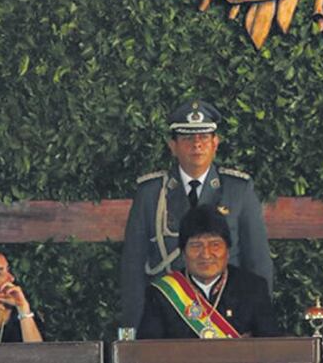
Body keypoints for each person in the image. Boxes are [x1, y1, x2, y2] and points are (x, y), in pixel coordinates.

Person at [120, 99, 274, 329]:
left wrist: (258, 324)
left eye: (204, 137)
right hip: (168, 317)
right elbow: (132, 267)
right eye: (187, 138)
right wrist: (132, 334)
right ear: (172, 145)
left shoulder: (238, 189)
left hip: (227, 321)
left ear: (215, 143)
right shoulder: (151, 193)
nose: (197, 145)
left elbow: (258, 263)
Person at [137, 205, 280, 338]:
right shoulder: (161, 294)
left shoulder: (253, 288)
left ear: (228, 251)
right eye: (196, 245)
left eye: (215, 245)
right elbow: (147, 352)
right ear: (183, 253)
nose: (205, 254)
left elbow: (270, 348)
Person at [0, 252, 43, 343]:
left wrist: (23, 308)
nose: (11, 278)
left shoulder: (17, 310)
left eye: (8, 270)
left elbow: (38, 354)